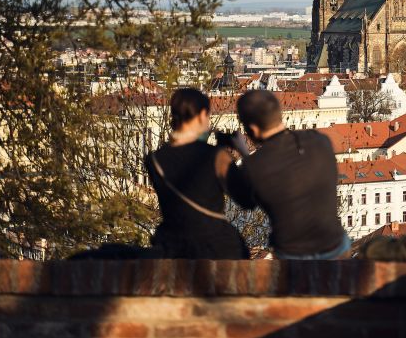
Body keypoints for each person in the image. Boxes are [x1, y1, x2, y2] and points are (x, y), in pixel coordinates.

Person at [226, 90, 350, 259]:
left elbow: (245, 201)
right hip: (337, 246)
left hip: (294, 255)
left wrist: (241, 156)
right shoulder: (321, 141)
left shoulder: (254, 166)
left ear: (252, 128)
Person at [145, 88, 248, 259]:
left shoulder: (153, 160)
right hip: (215, 247)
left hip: (174, 246)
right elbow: (246, 199)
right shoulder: (215, 156)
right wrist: (244, 153)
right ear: (201, 115)